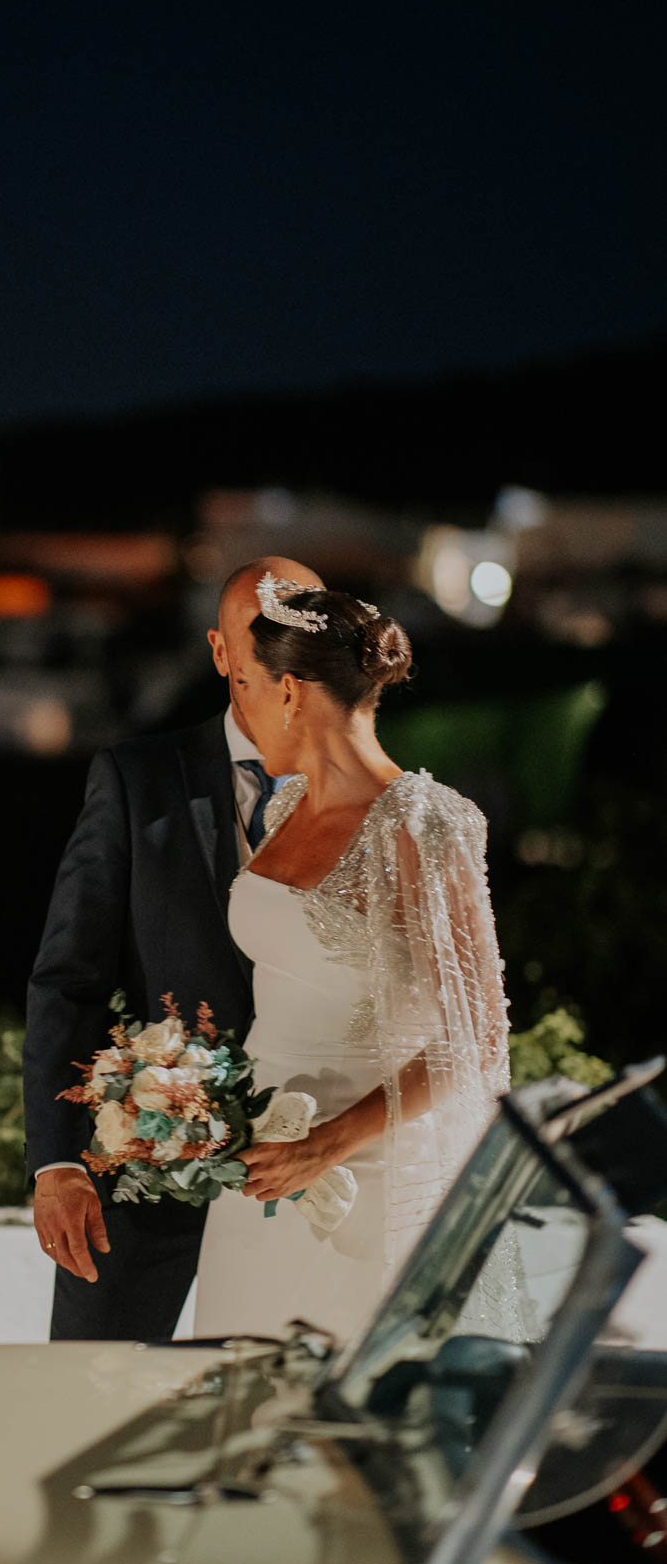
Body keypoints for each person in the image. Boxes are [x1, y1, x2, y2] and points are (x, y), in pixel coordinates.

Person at [194, 579, 516, 1342]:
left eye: (247, 686)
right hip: (254, 1173)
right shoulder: (280, 811)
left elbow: (475, 1037)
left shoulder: (421, 821)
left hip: (362, 1177)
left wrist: (325, 1144)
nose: (238, 713)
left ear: (292, 691)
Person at [25, 555, 324, 1341]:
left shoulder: (356, 791)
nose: (273, 654)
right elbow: (70, 979)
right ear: (220, 652)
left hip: (312, 1165)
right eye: (253, 638)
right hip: (149, 1167)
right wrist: (56, 1161)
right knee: (90, 1389)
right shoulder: (136, 779)